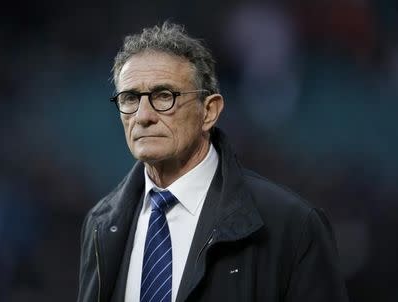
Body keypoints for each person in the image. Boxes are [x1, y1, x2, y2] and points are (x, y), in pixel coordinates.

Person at [77, 21, 348, 302]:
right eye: (130, 98)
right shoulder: (101, 225)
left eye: (164, 96)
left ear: (209, 112)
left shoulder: (293, 226)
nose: (143, 115)